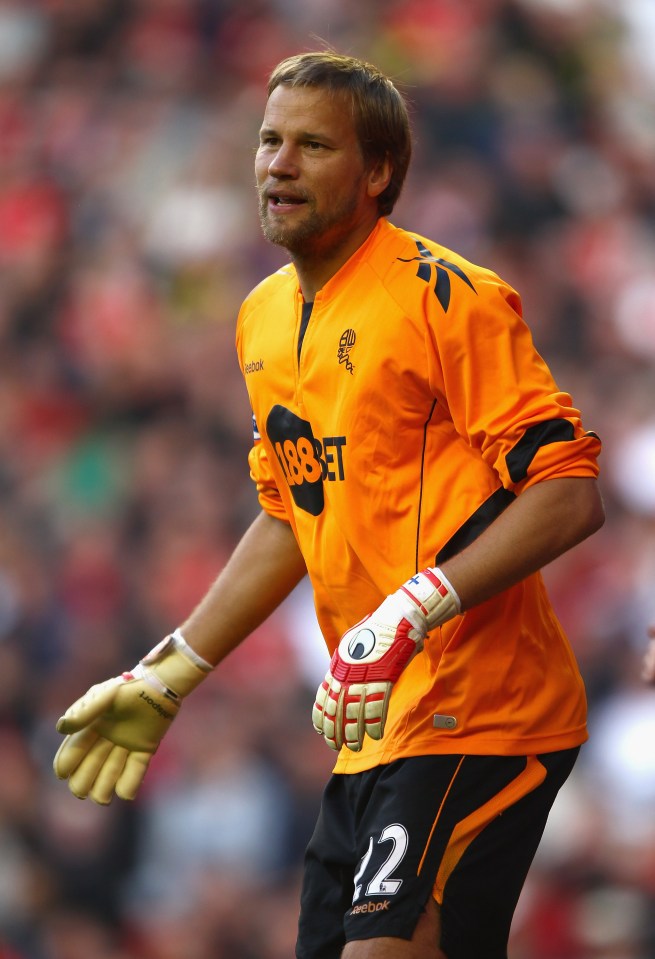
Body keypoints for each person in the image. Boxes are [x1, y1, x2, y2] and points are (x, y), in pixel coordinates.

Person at [53, 51, 605, 959]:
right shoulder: (261, 318)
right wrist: (172, 673)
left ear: (378, 171)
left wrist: (411, 610)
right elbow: (290, 514)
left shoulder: (445, 296)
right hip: (370, 731)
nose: (277, 163)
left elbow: (568, 493)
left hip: (485, 709)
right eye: (269, 141)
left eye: (312, 145)